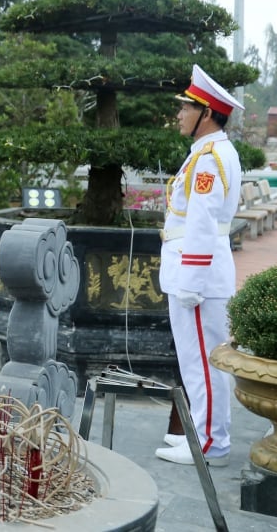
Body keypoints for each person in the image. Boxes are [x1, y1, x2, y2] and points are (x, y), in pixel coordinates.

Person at [154, 65, 242, 468]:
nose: (179, 115)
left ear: (206, 113)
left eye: (185, 108)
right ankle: (205, 435)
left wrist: (189, 280)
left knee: (203, 363)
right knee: (200, 362)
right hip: (200, 273)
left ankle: (210, 444)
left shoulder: (209, 160)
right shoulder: (208, 154)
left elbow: (204, 226)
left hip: (198, 278)